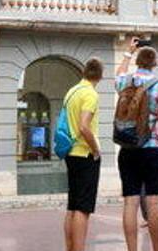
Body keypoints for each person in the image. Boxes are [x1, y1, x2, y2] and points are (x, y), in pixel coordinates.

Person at [115, 39, 158, 251]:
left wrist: (128, 53)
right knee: (154, 202)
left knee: (130, 202)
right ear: (155, 63)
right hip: (153, 148)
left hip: (127, 148)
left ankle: (131, 249)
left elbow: (118, 73)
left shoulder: (124, 82)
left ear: (138, 62)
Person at [63, 58, 104, 251]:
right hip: (85, 153)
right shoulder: (90, 94)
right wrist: (95, 149)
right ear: (100, 75)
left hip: (70, 152)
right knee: (83, 208)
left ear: (84, 72)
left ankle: (70, 247)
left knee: (72, 206)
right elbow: (84, 126)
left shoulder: (72, 91)